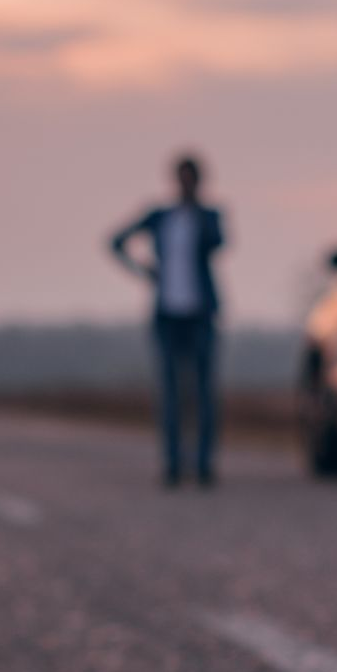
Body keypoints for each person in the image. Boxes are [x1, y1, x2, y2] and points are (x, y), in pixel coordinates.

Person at [109, 154, 226, 487]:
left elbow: (218, 243)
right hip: (167, 315)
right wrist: (144, 270)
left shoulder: (209, 216)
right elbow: (116, 241)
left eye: (192, 179)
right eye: (182, 178)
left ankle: (203, 464)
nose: (186, 184)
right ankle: (173, 463)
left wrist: (196, 212)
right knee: (171, 392)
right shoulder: (160, 216)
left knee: (203, 392)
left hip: (201, 313)